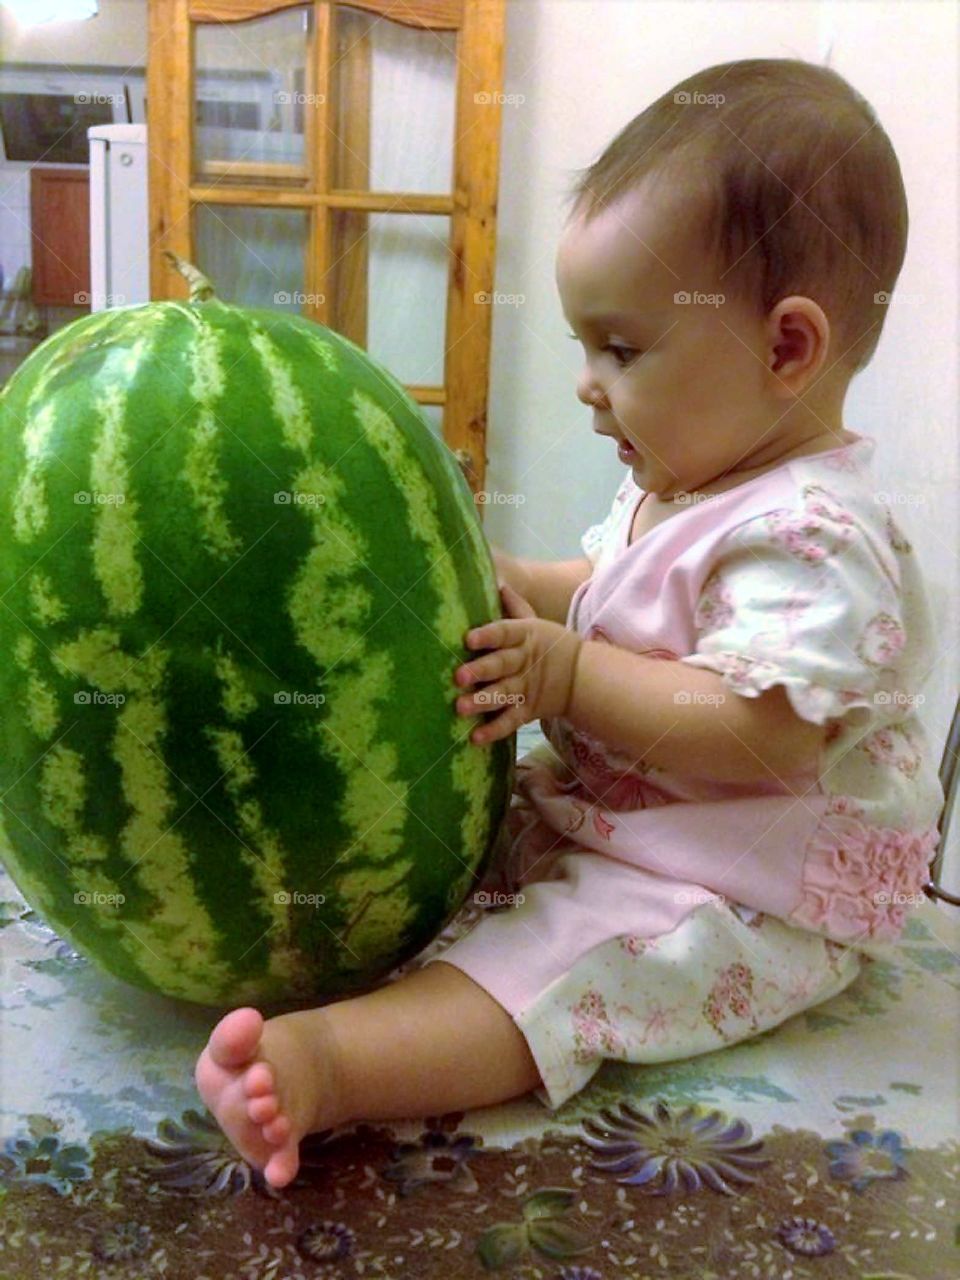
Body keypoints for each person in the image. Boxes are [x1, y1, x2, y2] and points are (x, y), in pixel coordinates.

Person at [194, 57, 943, 1189]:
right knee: (450, 869)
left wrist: (570, 675)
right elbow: (596, 581)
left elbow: (765, 729)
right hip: (631, 821)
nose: (590, 386)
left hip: (739, 886)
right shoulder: (689, 488)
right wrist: (475, 574)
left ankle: (331, 1068)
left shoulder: (816, 531)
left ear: (788, 348)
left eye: (623, 350)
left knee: (561, 969)